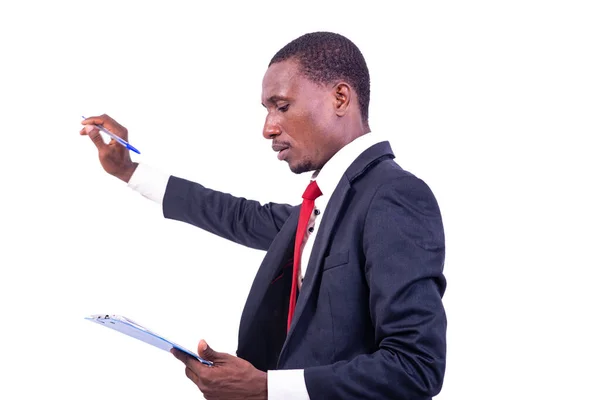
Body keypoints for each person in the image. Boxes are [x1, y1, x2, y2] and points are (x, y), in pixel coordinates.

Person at [81, 31, 447, 400]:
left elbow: (416, 367)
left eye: (282, 106)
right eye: (267, 110)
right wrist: (129, 171)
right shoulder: (321, 205)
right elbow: (237, 216)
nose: (268, 128)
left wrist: (266, 388)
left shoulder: (394, 196)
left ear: (340, 98)